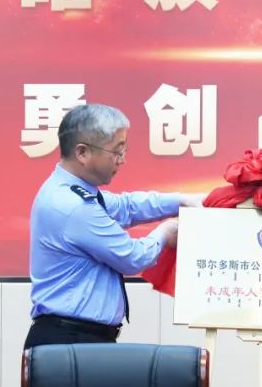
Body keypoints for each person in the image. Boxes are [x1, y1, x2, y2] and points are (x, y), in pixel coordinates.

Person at [24, 103, 204, 349]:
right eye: (117, 152)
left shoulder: (73, 191)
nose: (122, 160)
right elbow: (132, 257)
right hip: (68, 342)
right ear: (82, 152)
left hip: (79, 337)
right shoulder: (73, 206)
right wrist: (165, 233)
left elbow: (126, 206)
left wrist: (181, 201)